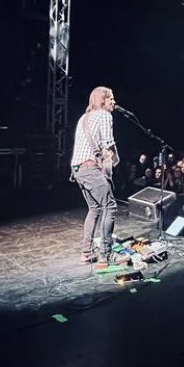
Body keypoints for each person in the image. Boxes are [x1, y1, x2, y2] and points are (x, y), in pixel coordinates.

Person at [71, 86, 119, 264]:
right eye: (111, 98)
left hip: (78, 170)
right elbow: (108, 143)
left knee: (95, 208)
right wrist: (116, 160)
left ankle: (85, 252)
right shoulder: (105, 115)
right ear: (102, 100)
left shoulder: (84, 117)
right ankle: (105, 254)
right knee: (110, 207)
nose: (114, 102)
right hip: (90, 168)